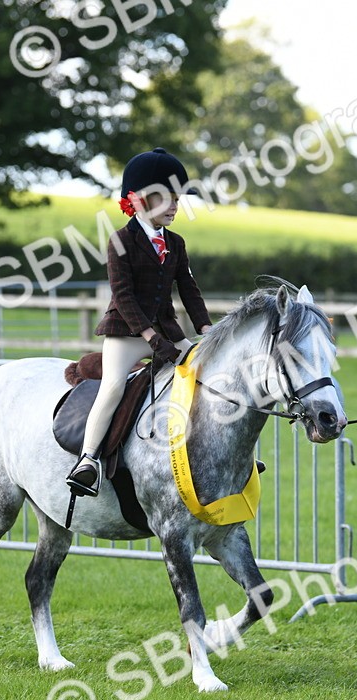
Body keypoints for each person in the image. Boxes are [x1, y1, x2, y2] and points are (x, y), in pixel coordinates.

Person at [66, 148, 212, 497]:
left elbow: (189, 290)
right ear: (143, 200)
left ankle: (213, 451)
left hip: (167, 332)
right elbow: (123, 295)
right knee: (114, 385)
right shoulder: (121, 241)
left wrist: (207, 329)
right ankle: (87, 460)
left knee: (207, 374)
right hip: (126, 331)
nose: (177, 206)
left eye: (178, 200)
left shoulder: (175, 243)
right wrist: (148, 335)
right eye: (169, 199)